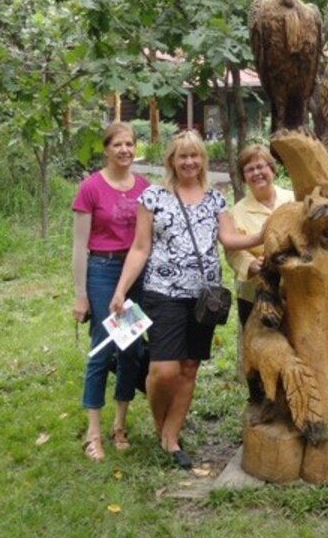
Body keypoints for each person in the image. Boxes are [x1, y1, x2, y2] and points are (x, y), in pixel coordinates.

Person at [109, 130, 263, 470]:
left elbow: (229, 238)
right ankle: (159, 423)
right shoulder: (153, 198)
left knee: (189, 367)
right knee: (164, 369)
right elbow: (140, 247)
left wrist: (265, 234)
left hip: (204, 297)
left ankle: (171, 436)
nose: (189, 162)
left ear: (202, 160)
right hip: (163, 293)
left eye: (195, 156)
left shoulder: (215, 199)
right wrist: (121, 291)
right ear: (171, 161)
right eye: (183, 156)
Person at [72, 121, 149, 462]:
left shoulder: (144, 188)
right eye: (117, 145)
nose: (124, 151)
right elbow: (78, 246)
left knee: (130, 349)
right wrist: (80, 294)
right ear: (106, 149)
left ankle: (119, 424)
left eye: (129, 144)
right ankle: (92, 432)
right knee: (103, 347)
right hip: (102, 272)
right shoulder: (90, 188)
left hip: (135, 274)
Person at [225, 144, 294, 328]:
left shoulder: (293, 200)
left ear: (272, 169)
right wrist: (250, 264)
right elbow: (232, 251)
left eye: (261, 166)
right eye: (249, 169)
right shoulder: (236, 212)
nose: (256, 173)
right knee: (261, 351)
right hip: (254, 295)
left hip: (294, 290)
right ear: (244, 177)